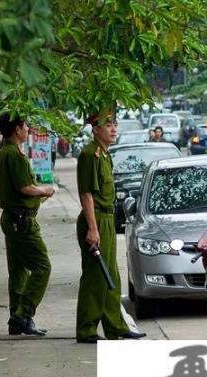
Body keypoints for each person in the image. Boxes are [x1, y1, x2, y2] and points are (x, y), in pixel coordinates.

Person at [76, 112, 146, 343]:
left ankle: (115, 326)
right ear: (95, 129)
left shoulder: (104, 154)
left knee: (111, 276)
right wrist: (92, 229)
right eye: (108, 125)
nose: (114, 129)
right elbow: (86, 194)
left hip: (106, 219)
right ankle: (86, 329)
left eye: (115, 125)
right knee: (96, 277)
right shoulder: (90, 155)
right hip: (95, 219)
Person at [0, 113, 56, 336]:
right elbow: (24, 188)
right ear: (17, 130)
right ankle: (23, 313)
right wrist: (45, 190)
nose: (28, 129)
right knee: (42, 266)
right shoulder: (14, 155)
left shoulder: (2, 153)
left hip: (12, 218)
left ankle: (16, 320)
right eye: (25, 125)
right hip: (21, 221)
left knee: (18, 272)